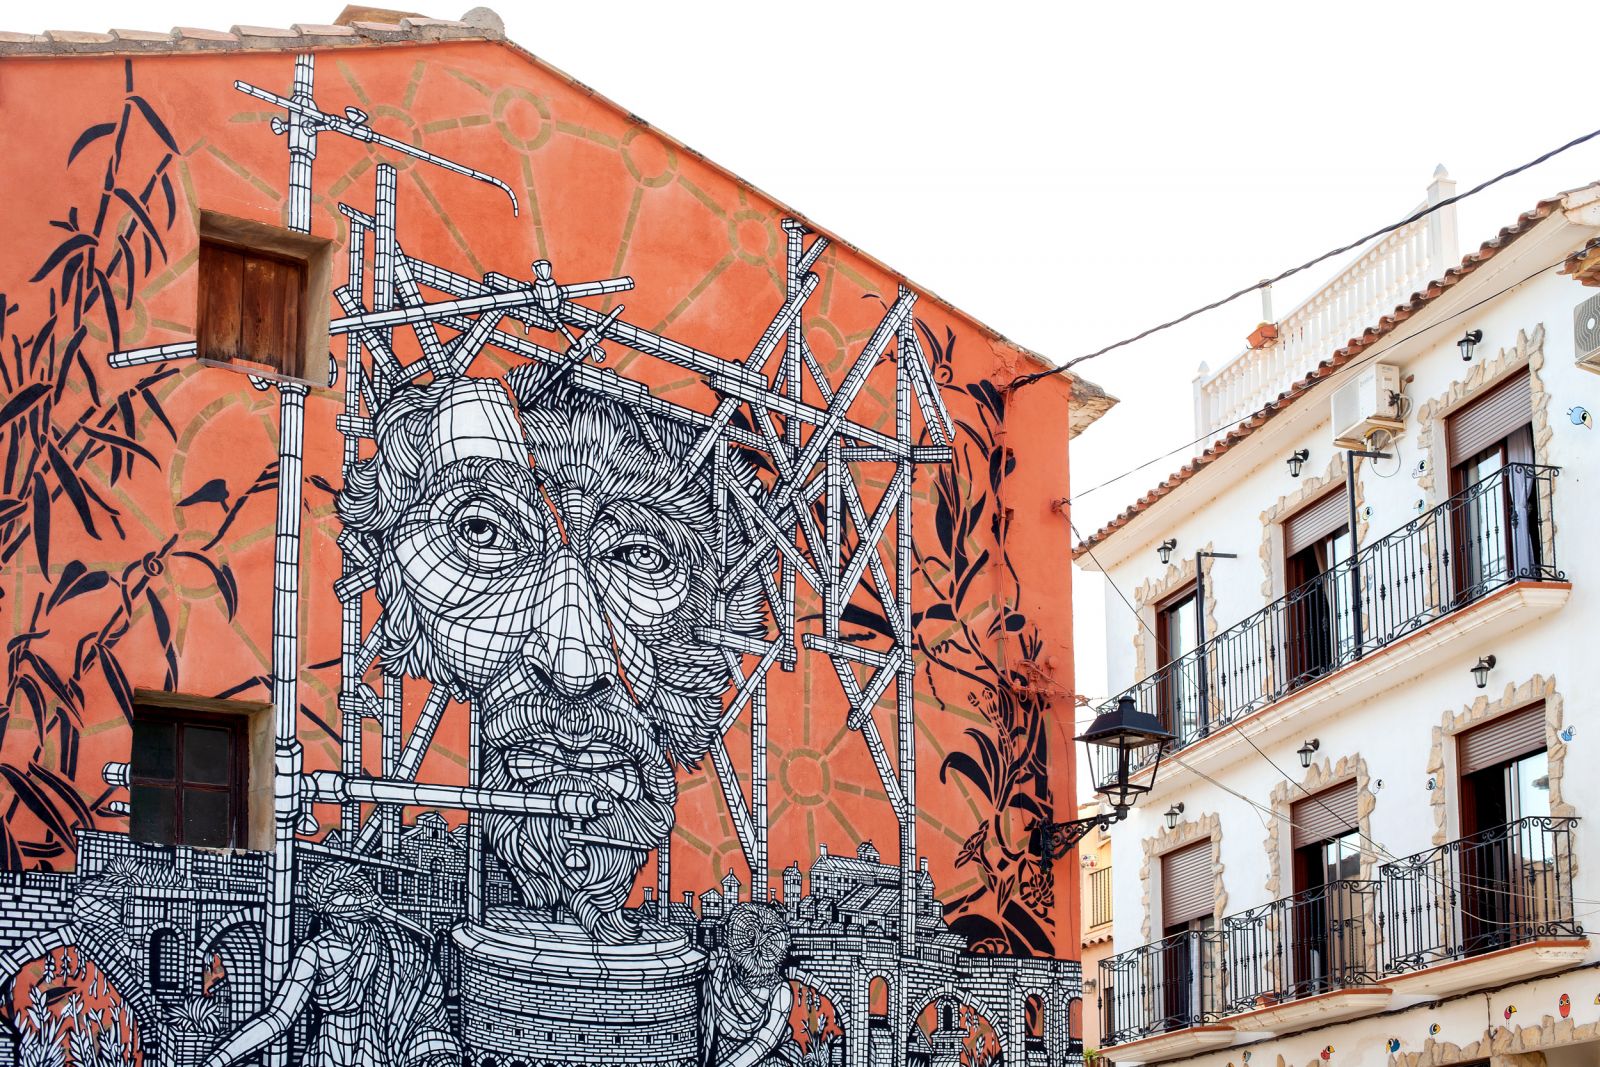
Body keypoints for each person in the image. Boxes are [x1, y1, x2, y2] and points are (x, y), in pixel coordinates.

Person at [208, 863, 456, 1067]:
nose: (367, 894)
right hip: (329, 1052)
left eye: (364, 886)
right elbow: (278, 1019)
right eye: (353, 889)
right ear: (327, 902)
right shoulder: (313, 952)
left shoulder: (390, 942)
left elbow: (425, 1000)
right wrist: (216, 1061)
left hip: (377, 1052)